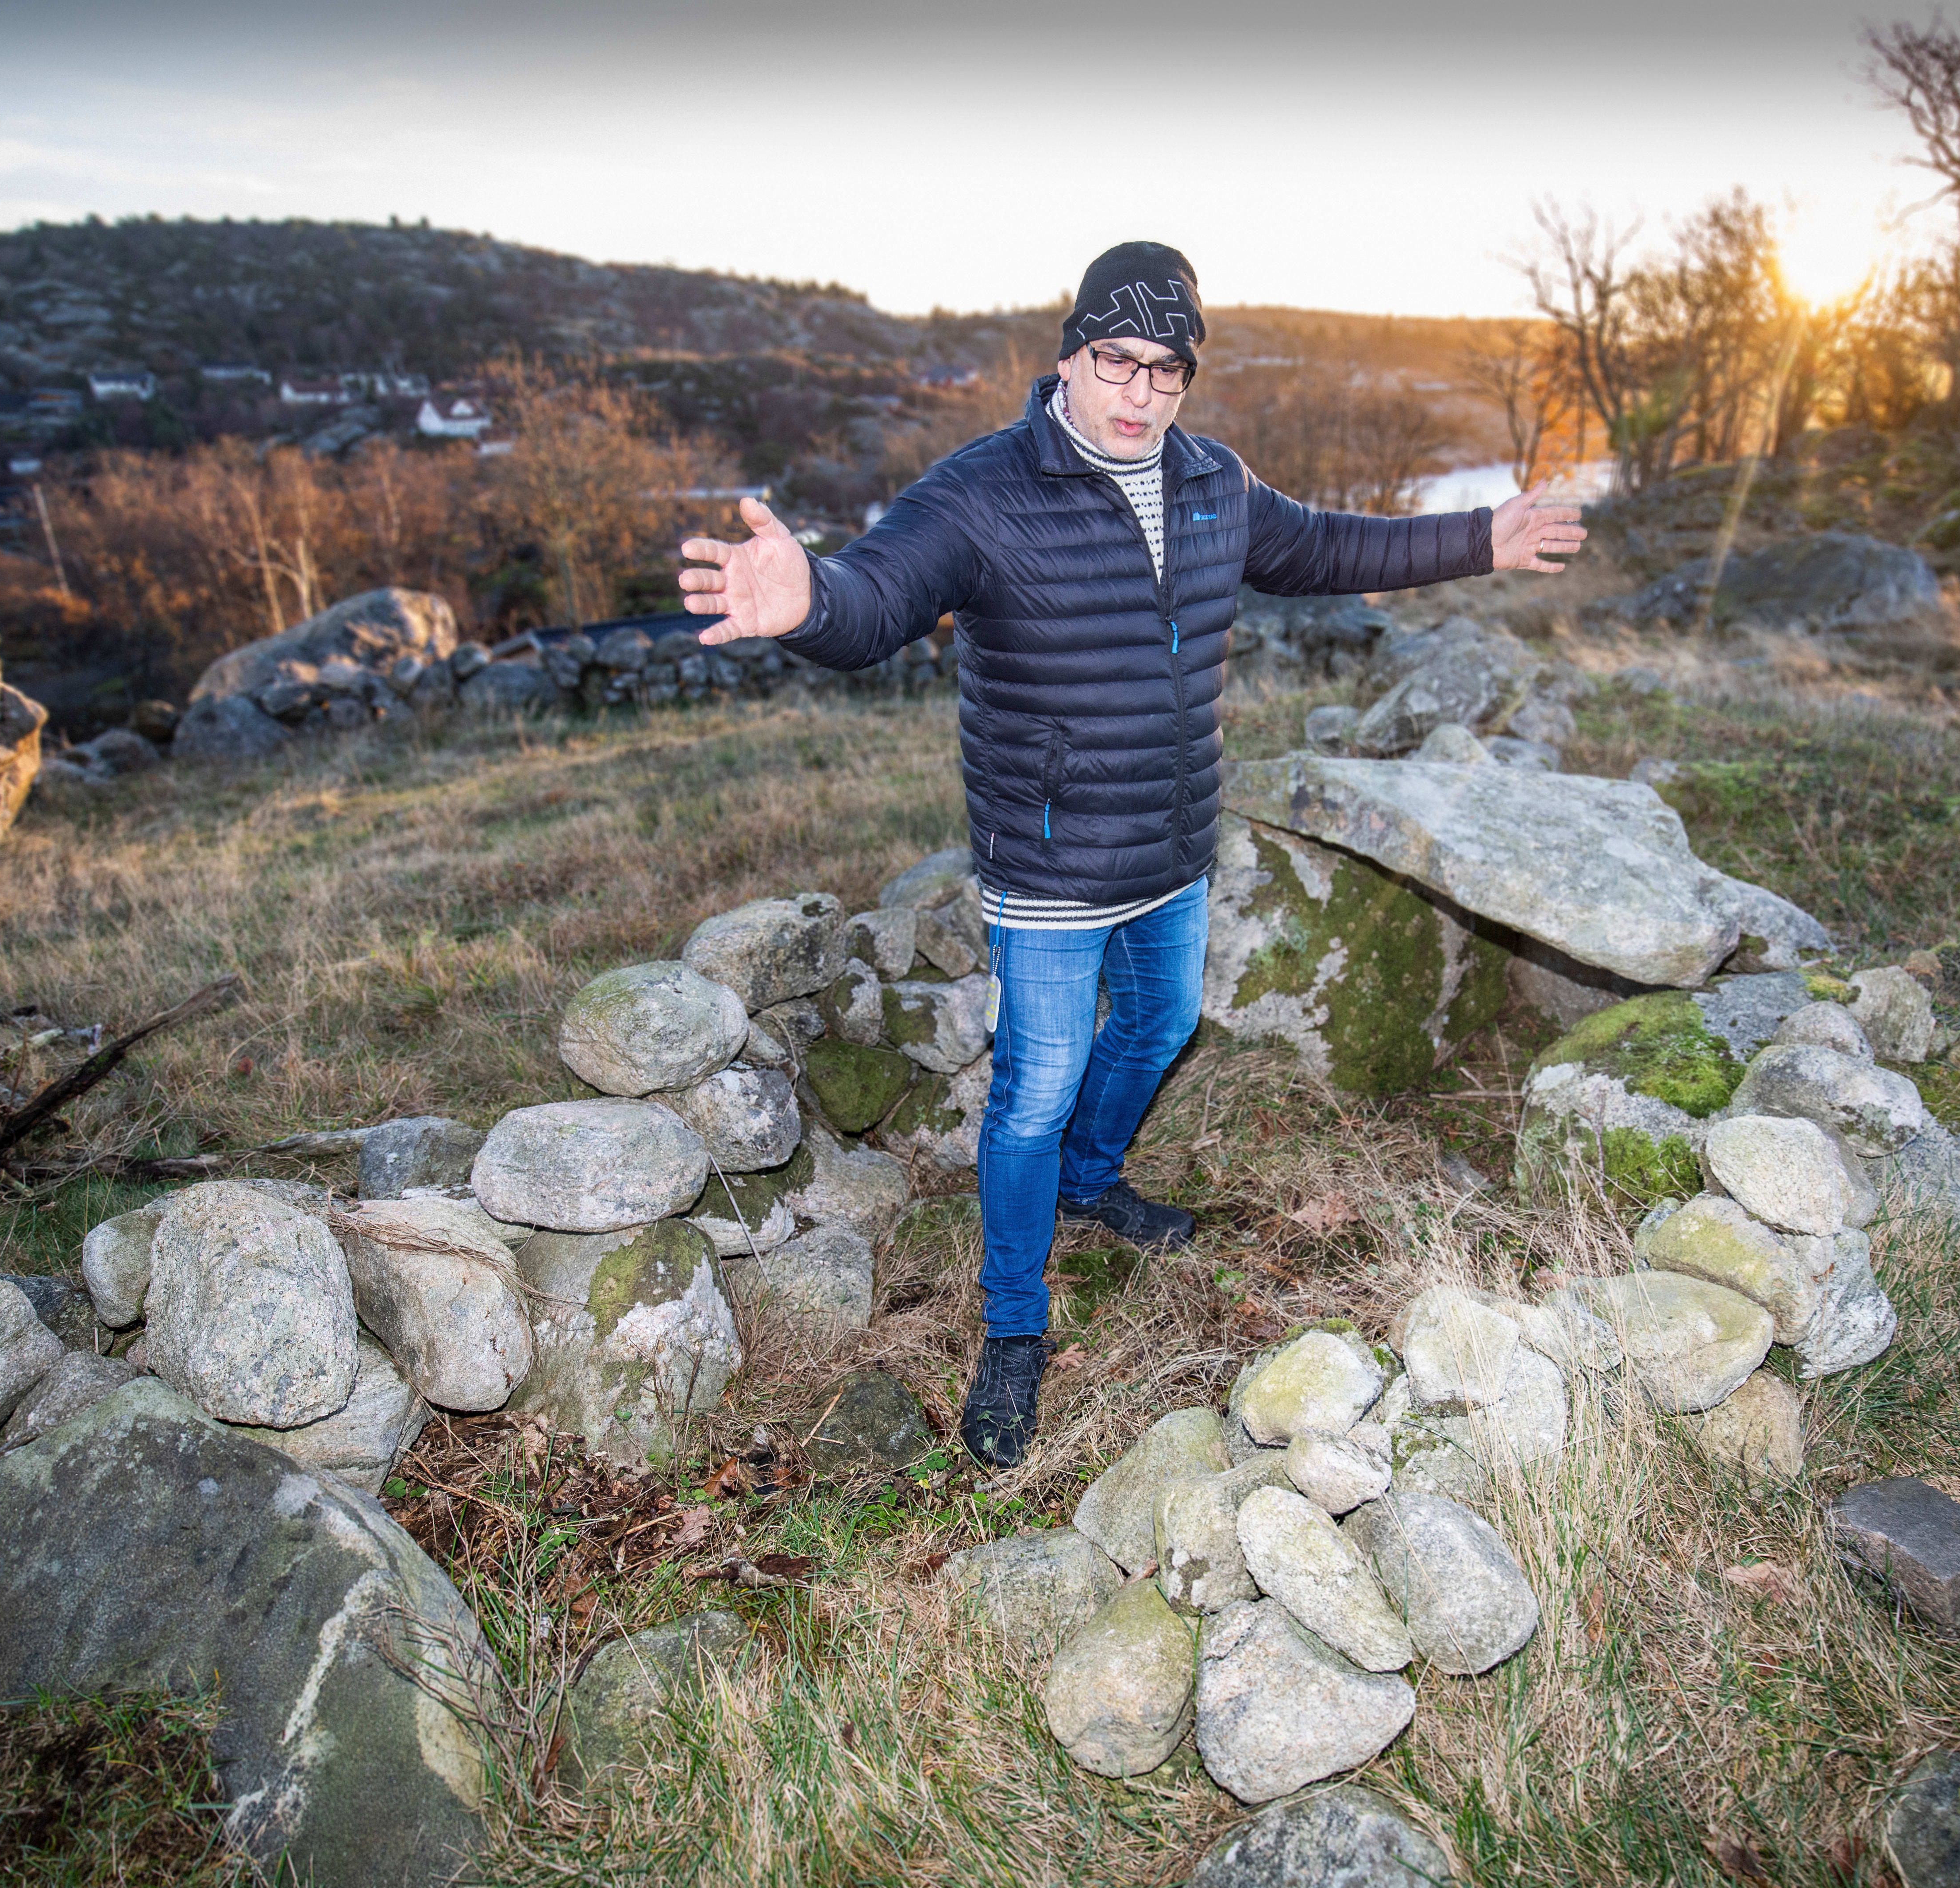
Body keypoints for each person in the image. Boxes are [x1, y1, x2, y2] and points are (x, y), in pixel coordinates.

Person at [676, 240, 1584, 1467]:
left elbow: (1328, 549)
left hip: (1172, 841)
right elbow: (880, 597)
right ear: (1068, 357)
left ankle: (1094, 1180)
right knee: (1033, 1093)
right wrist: (810, 604)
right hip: (1052, 859)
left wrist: (1482, 534)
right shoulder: (984, 491)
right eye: (1116, 360)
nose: (1139, 392)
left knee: (1161, 1026)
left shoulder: (1213, 483)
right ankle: (1013, 1321)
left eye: (1167, 370)